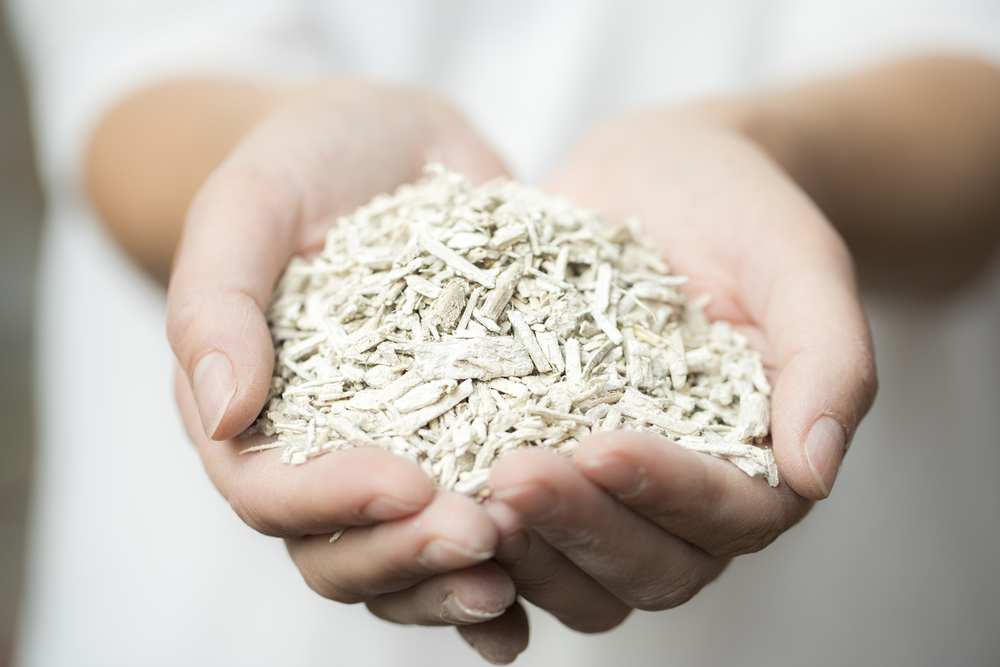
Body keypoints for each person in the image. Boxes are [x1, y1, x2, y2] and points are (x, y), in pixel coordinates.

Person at [9, 1, 1000, 665]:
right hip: (215, 622)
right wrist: (258, 188)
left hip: (843, 607)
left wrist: (776, 155)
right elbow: (132, 69)